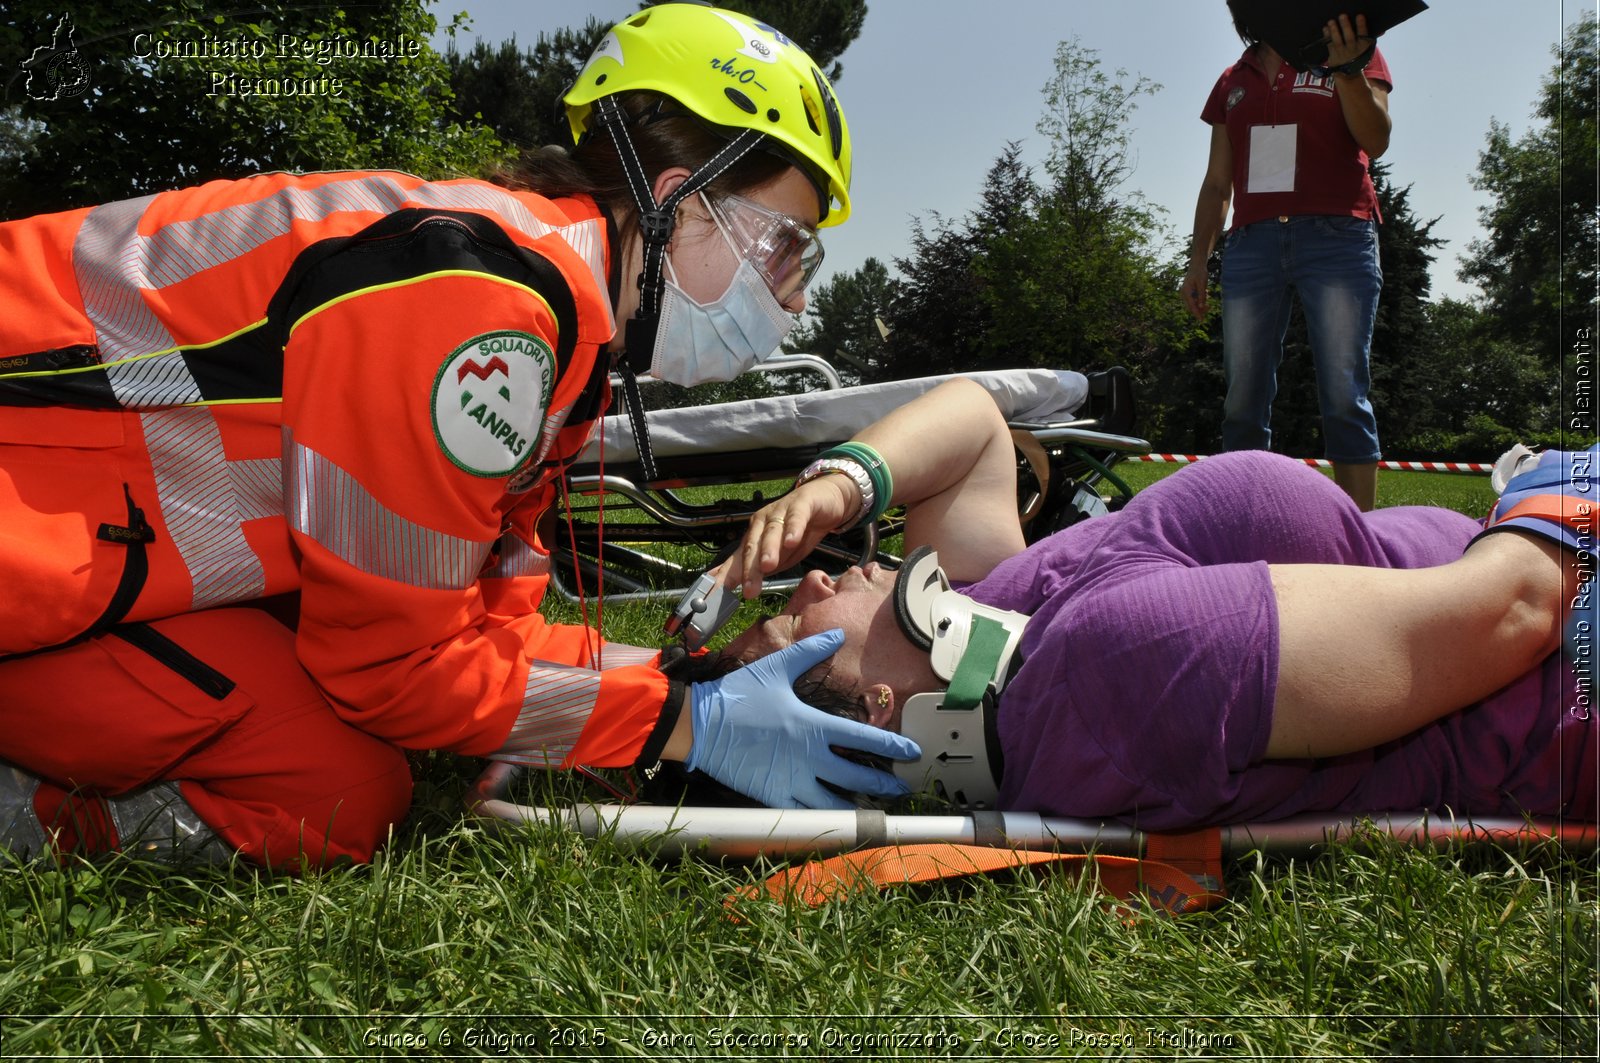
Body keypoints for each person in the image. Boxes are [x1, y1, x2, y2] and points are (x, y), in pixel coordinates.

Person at [0, 3, 916, 869]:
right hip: (34, 557)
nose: (796, 296)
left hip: (89, 566)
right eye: (788, 245)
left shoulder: (554, 329)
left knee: (345, 792)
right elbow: (392, 667)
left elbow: (487, 626)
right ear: (679, 199)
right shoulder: (480, 304)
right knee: (336, 792)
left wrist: (681, 675)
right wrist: (684, 721)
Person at [714, 378, 1596, 830]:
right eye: (794, 626)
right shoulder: (1113, 676)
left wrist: (844, 481)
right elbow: (1508, 612)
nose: (815, 579)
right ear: (873, 714)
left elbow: (976, 420)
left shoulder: (989, 611)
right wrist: (1564, 480)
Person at [1181, 7, 1392, 512]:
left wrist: (1347, 69)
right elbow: (1217, 183)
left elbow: (1377, 139)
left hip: (1337, 234)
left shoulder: (1350, 48)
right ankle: (1244, 522)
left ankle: (1358, 537)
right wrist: (1197, 260)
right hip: (1252, 245)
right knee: (1242, 401)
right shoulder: (1233, 79)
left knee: (1344, 393)